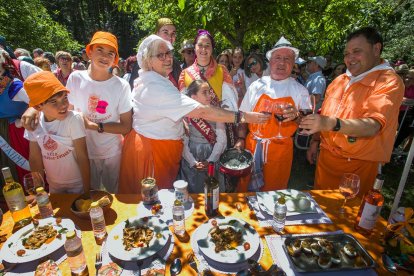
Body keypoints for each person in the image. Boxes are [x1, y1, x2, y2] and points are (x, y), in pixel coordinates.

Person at [118, 35, 269, 194]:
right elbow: (202, 111)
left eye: (168, 53)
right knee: (152, 200)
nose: (167, 58)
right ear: (148, 61)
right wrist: (244, 117)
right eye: (160, 55)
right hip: (151, 152)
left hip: (168, 147)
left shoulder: (159, 79)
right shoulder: (159, 84)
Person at [22, 32, 132, 193]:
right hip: (80, 152)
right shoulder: (75, 78)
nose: (104, 56)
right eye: (100, 50)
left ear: (115, 59)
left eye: (111, 53)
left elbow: (125, 127)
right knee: (88, 197)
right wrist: (33, 109)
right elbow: (52, 98)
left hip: (111, 152)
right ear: (89, 52)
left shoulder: (121, 86)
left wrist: (94, 125)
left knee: (114, 194)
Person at [301, 27, 404, 197]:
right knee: (321, 212)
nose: (350, 58)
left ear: (376, 49)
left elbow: (372, 126)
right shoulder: (339, 80)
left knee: (346, 216)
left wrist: (329, 123)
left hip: (358, 168)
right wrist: (315, 141)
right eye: (347, 53)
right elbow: (326, 112)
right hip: (325, 161)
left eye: (356, 51)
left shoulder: (388, 81)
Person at [238, 36, 309, 191]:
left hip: (280, 151)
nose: (282, 62)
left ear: (293, 63)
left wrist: (297, 116)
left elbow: (308, 125)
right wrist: (240, 139)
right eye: (278, 57)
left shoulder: (300, 90)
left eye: (287, 58)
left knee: (274, 191)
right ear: (270, 62)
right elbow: (243, 115)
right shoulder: (257, 85)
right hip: (252, 145)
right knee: (245, 189)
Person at [23, 71, 90, 194]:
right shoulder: (34, 123)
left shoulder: (73, 119)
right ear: (38, 106)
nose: (63, 105)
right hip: (54, 185)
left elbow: (82, 156)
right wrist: (39, 191)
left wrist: (87, 192)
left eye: (65, 98)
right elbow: (35, 158)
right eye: (54, 102)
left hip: (78, 184)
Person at [179, 29, 239, 148]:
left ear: (212, 48)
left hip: (219, 128)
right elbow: (182, 105)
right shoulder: (185, 74)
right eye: (200, 45)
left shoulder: (222, 71)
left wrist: (219, 112)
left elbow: (231, 102)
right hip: (195, 130)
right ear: (195, 48)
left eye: (207, 46)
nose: (203, 49)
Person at [0, 44, 41, 183]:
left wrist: (21, 120)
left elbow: (39, 103)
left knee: (25, 174)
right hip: (3, 136)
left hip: (18, 136)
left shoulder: (14, 86)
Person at [180, 80, 226, 193]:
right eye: (204, 92)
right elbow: (183, 140)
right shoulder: (186, 113)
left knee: (211, 187)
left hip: (212, 153)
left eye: (209, 92)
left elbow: (222, 140)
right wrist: (192, 162)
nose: (209, 95)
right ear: (194, 97)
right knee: (193, 188)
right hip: (191, 154)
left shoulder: (216, 112)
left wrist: (211, 160)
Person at [129, 18, 182, 89]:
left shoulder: (175, 63)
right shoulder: (144, 61)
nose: (170, 37)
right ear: (156, 34)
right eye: (165, 32)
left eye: (173, 34)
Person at [394, 69, 414, 151]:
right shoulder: (398, 84)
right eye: (407, 77)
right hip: (394, 112)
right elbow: (394, 96)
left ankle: (394, 148)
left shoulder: (412, 88)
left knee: (408, 128)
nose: (407, 80)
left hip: (405, 113)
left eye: (411, 78)